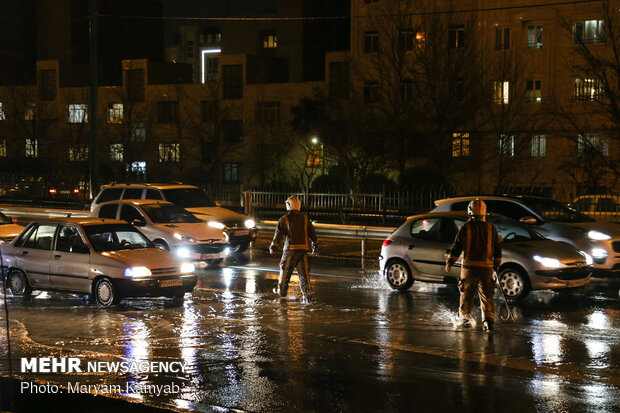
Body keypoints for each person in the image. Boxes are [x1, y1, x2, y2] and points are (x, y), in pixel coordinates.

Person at [445, 199, 501, 331]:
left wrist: (450, 262)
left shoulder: (466, 227)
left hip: (469, 269)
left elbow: (457, 247)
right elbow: (497, 248)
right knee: (487, 296)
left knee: (466, 294)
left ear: (470, 212)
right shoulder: (491, 228)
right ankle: (488, 322)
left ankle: (464, 318)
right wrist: (497, 265)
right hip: (486, 269)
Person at [269, 195, 318, 303]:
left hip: (290, 251)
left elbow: (278, 234)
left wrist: (273, 246)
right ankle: (307, 295)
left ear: (288, 205)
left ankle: (282, 291)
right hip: (303, 251)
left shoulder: (284, 219)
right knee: (304, 274)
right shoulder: (305, 218)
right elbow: (312, 233)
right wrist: (315, 243)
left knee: (285, 271)